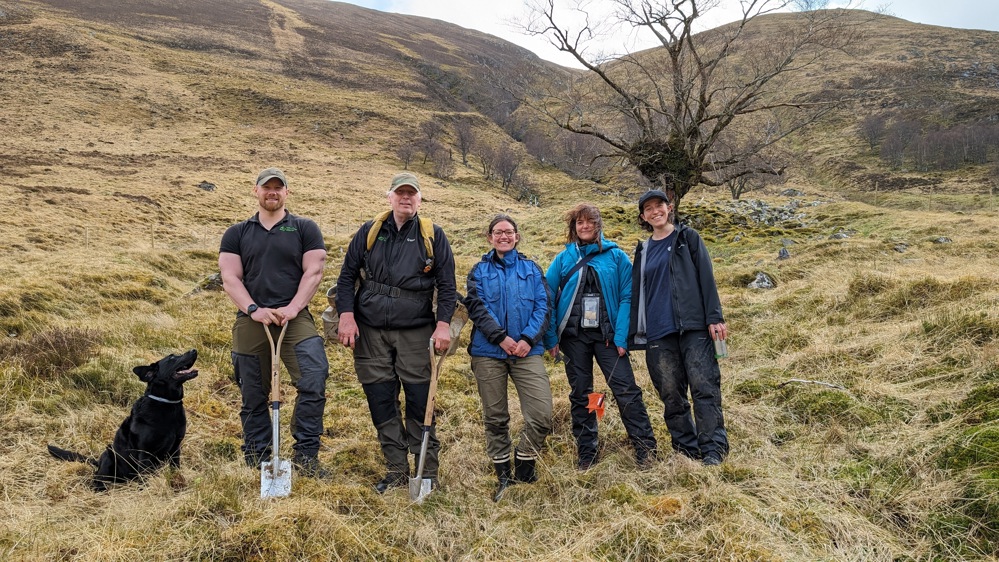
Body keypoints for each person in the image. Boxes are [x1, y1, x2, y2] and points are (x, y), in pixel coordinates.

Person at [335, 172, 457, 493]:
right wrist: (346, 316)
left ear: (419, 198)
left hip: (416, 332)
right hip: (370, 333)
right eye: (400, 193)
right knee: (381, 401)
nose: (406, 198)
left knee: (420, 400)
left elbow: (447, 285)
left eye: (411, 193)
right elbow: (347, 276)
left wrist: (443, 324)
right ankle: (396, 471)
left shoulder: (433, 236)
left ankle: (425, 472)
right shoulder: (370, 232)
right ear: (389, 197)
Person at [219, 167, 330, 478]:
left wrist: (294, 308)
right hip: (251, 320)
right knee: (252, 391)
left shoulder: (304, 228)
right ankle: (258, 457)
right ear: (256, 191)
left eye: (278, 187)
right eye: (266, 187)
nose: (272, 192)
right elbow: (230, 277)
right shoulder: (237, 233)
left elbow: (314, 271)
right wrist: (253, 309)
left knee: (314, 378)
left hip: (294, 319)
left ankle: (306, 456)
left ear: (286, 193)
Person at [543, 203, 658, 470]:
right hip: (573, 340)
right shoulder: (563, 258)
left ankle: (645, 449)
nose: (584, 226)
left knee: (625, 390)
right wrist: (551, 338)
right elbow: (547, 296)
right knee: (582, 393)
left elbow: (629, 295)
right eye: (579, 222)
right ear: (573, 227)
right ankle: (587, 453)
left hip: (608, 339)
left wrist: (621, 337)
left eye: (590, 222)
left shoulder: (616, 257)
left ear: (598, 225)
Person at [628, 190, 730, 466]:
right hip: (658, 332)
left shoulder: (687, 238)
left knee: (703, 386)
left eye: (658, 206)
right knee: (671, 394)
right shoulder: (643, 250)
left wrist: (714, 317)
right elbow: (637, 292)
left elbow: (706, 278)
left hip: (694, 326)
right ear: (643, 216)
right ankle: (686, 450)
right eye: (648, 209)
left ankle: (713, 450)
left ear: (669, 208)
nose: (654, 211)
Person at [464, 214, 553, 501]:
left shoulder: (532, 269)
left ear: (516, 236)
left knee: (541, 415)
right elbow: (476, 307)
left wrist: (527, 339)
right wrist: (501, 338)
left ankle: (525, 461)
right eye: (498, 232)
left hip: (527, 352)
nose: (504, 236)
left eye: (509, 232)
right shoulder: (478, 270)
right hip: (488, 352)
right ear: (489, 237)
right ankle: (503, 474)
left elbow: (543, 305)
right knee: (495, 417)